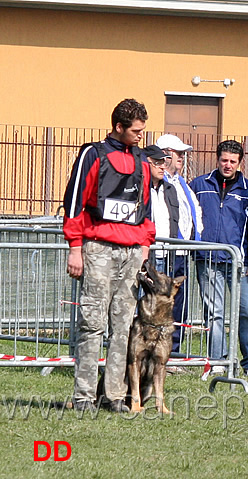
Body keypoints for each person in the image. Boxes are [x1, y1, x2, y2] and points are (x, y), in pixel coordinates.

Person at [63, 98, 155, 413]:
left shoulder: (143, 160)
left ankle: (114, 396)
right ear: (119, 127)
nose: (141, 135)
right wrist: (75, 248)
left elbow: (145, 209)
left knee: (123, 326)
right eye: (136, 130)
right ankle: (84, 397)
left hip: (131, 253)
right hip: (97, 249)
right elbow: (74, 203)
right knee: (92, 324)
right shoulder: (93, 154)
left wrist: (145, 247)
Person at [190, 139, 248, 377]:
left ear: (239, 162)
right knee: (214, 313)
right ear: (217, 159)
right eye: (224, 160)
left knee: (246, 312)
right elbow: (188, 217)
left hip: (238, 262)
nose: (228, 165)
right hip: (207, 260)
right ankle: (218, 360)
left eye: (233, 161)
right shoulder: (199, 185)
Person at [155, 134, 203, 353]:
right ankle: (157, 350)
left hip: (181, 251)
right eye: (178, 153)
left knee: (179, 304)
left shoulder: (181, 183)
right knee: (160, 304)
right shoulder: (157, 183)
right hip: (162, 252)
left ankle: (173, 351)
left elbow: (193, 212)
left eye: (183, 153)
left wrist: (196, 237)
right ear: (165, 154)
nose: (182, 157)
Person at [142, 145, 179, 275]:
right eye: (157, 163)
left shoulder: (170, 189)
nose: (162, 166)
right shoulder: (139, 188)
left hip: (166, 257)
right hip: (144, 255)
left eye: (163, 162)